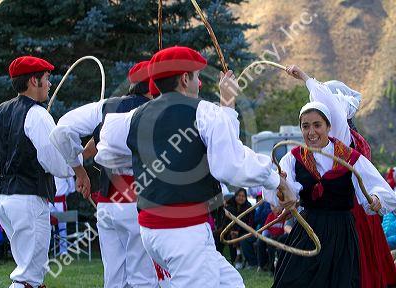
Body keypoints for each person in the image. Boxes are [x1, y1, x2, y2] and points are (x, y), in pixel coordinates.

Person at [95, 46, 295, 287]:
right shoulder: (203, 112)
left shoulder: (136, 116)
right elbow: (230, 165)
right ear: (184, 78)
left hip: (152, 231)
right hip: (184, 233)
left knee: (231, 284)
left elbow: (105, 151)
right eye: (197, 76)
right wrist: (276, 180)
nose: (200, 83)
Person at [49, 61, 159, 288]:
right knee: (143, 278)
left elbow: (61, 131)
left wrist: (78, 169)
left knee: (114, 278)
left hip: (107, 205)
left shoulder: (107, 107)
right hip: (137, 201)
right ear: (152, 86)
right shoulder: (156, 111)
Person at [264, 100, 396, 288]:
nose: (311, 132)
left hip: (341, 230)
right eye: (305, 126)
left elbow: (379, 188)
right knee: (292, 280)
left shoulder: (350, 157)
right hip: (308, 228)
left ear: (328, 127)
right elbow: (277, 193)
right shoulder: (293, 158)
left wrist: (376, 199)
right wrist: (281, 187)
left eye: (317, 125)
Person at [0, 56, 75, 288]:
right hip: (28, 200)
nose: (50, 83)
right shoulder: (38, 115)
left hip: (4, 200)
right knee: (29, 276)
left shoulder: (0, 111)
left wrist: (6, 171)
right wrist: (75, 163)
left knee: (29, 269)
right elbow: (57, 162)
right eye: (47, 78)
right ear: (34, 81)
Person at [224, 188, 252, 269]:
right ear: (235, 196)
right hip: (231, 230)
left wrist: (238, 231)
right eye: (239, 195)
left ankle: (241, 259)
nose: (241, 198)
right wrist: (232, 231)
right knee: (229, 237)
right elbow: (227, 221)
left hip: (245, 230)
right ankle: (234, 260)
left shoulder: (248, 207)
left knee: (241, 238)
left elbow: (249, 223)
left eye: (243, 196)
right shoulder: (230, 207)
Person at [49, 176, 75, 255]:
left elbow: (72, 186)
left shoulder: (65, 166)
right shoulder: (47, 165)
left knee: (62, 226)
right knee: (46, 226)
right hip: (49, 201)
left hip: (60, 201)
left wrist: (65, 193)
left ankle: (63, 250)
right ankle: (46, 251)